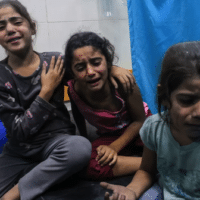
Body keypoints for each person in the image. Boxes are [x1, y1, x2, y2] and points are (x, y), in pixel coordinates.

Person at [0, 1, 135, 200]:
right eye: (1, 26)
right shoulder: (1, 77)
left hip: (59, 144)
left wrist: (113, 68)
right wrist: (46, 92)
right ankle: (45, 174)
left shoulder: (54, 62)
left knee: (80, 148)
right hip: (19, 150)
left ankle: (17, 192)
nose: (10, 29)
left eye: (16, 22)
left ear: (32, 26)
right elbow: (19, 131)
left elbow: (88, 65)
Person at [101, 41, 200, 200]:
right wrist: (131, 191)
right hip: (166, 191)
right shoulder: (155, 128)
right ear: (165, 96)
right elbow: (147, 170)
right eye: (187, 100)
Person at [64, 32, 152, 180]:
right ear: (72, 72)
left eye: (96, 63)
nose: (90, 72)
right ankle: (151, 162)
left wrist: (114, 148)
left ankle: (151, 159)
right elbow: (77, 113)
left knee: (168, 143)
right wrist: (85, 140)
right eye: (80, 67)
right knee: (85, 163)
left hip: (140, 129)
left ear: (108, 61)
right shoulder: (74, 90)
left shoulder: (123, 84)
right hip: (111, 135)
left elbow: (140, 121)